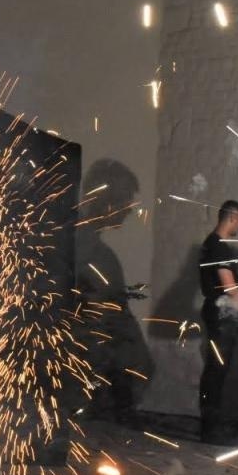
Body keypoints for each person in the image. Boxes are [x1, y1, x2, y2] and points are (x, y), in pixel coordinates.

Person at [75, 159, 153, 421]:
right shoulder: (92, 251)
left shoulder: (96, 250)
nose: (130, 209)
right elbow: (96, 317)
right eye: (127, 200)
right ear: (110, 201)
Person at [198, 200, 238, 442]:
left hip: (217, 313)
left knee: (215, 369)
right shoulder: (219, 247)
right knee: (217, 370)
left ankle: (210, 425)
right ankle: (211, 427)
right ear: (233, 217)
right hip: (221, 315)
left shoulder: (211, 244)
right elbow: (229, 286)